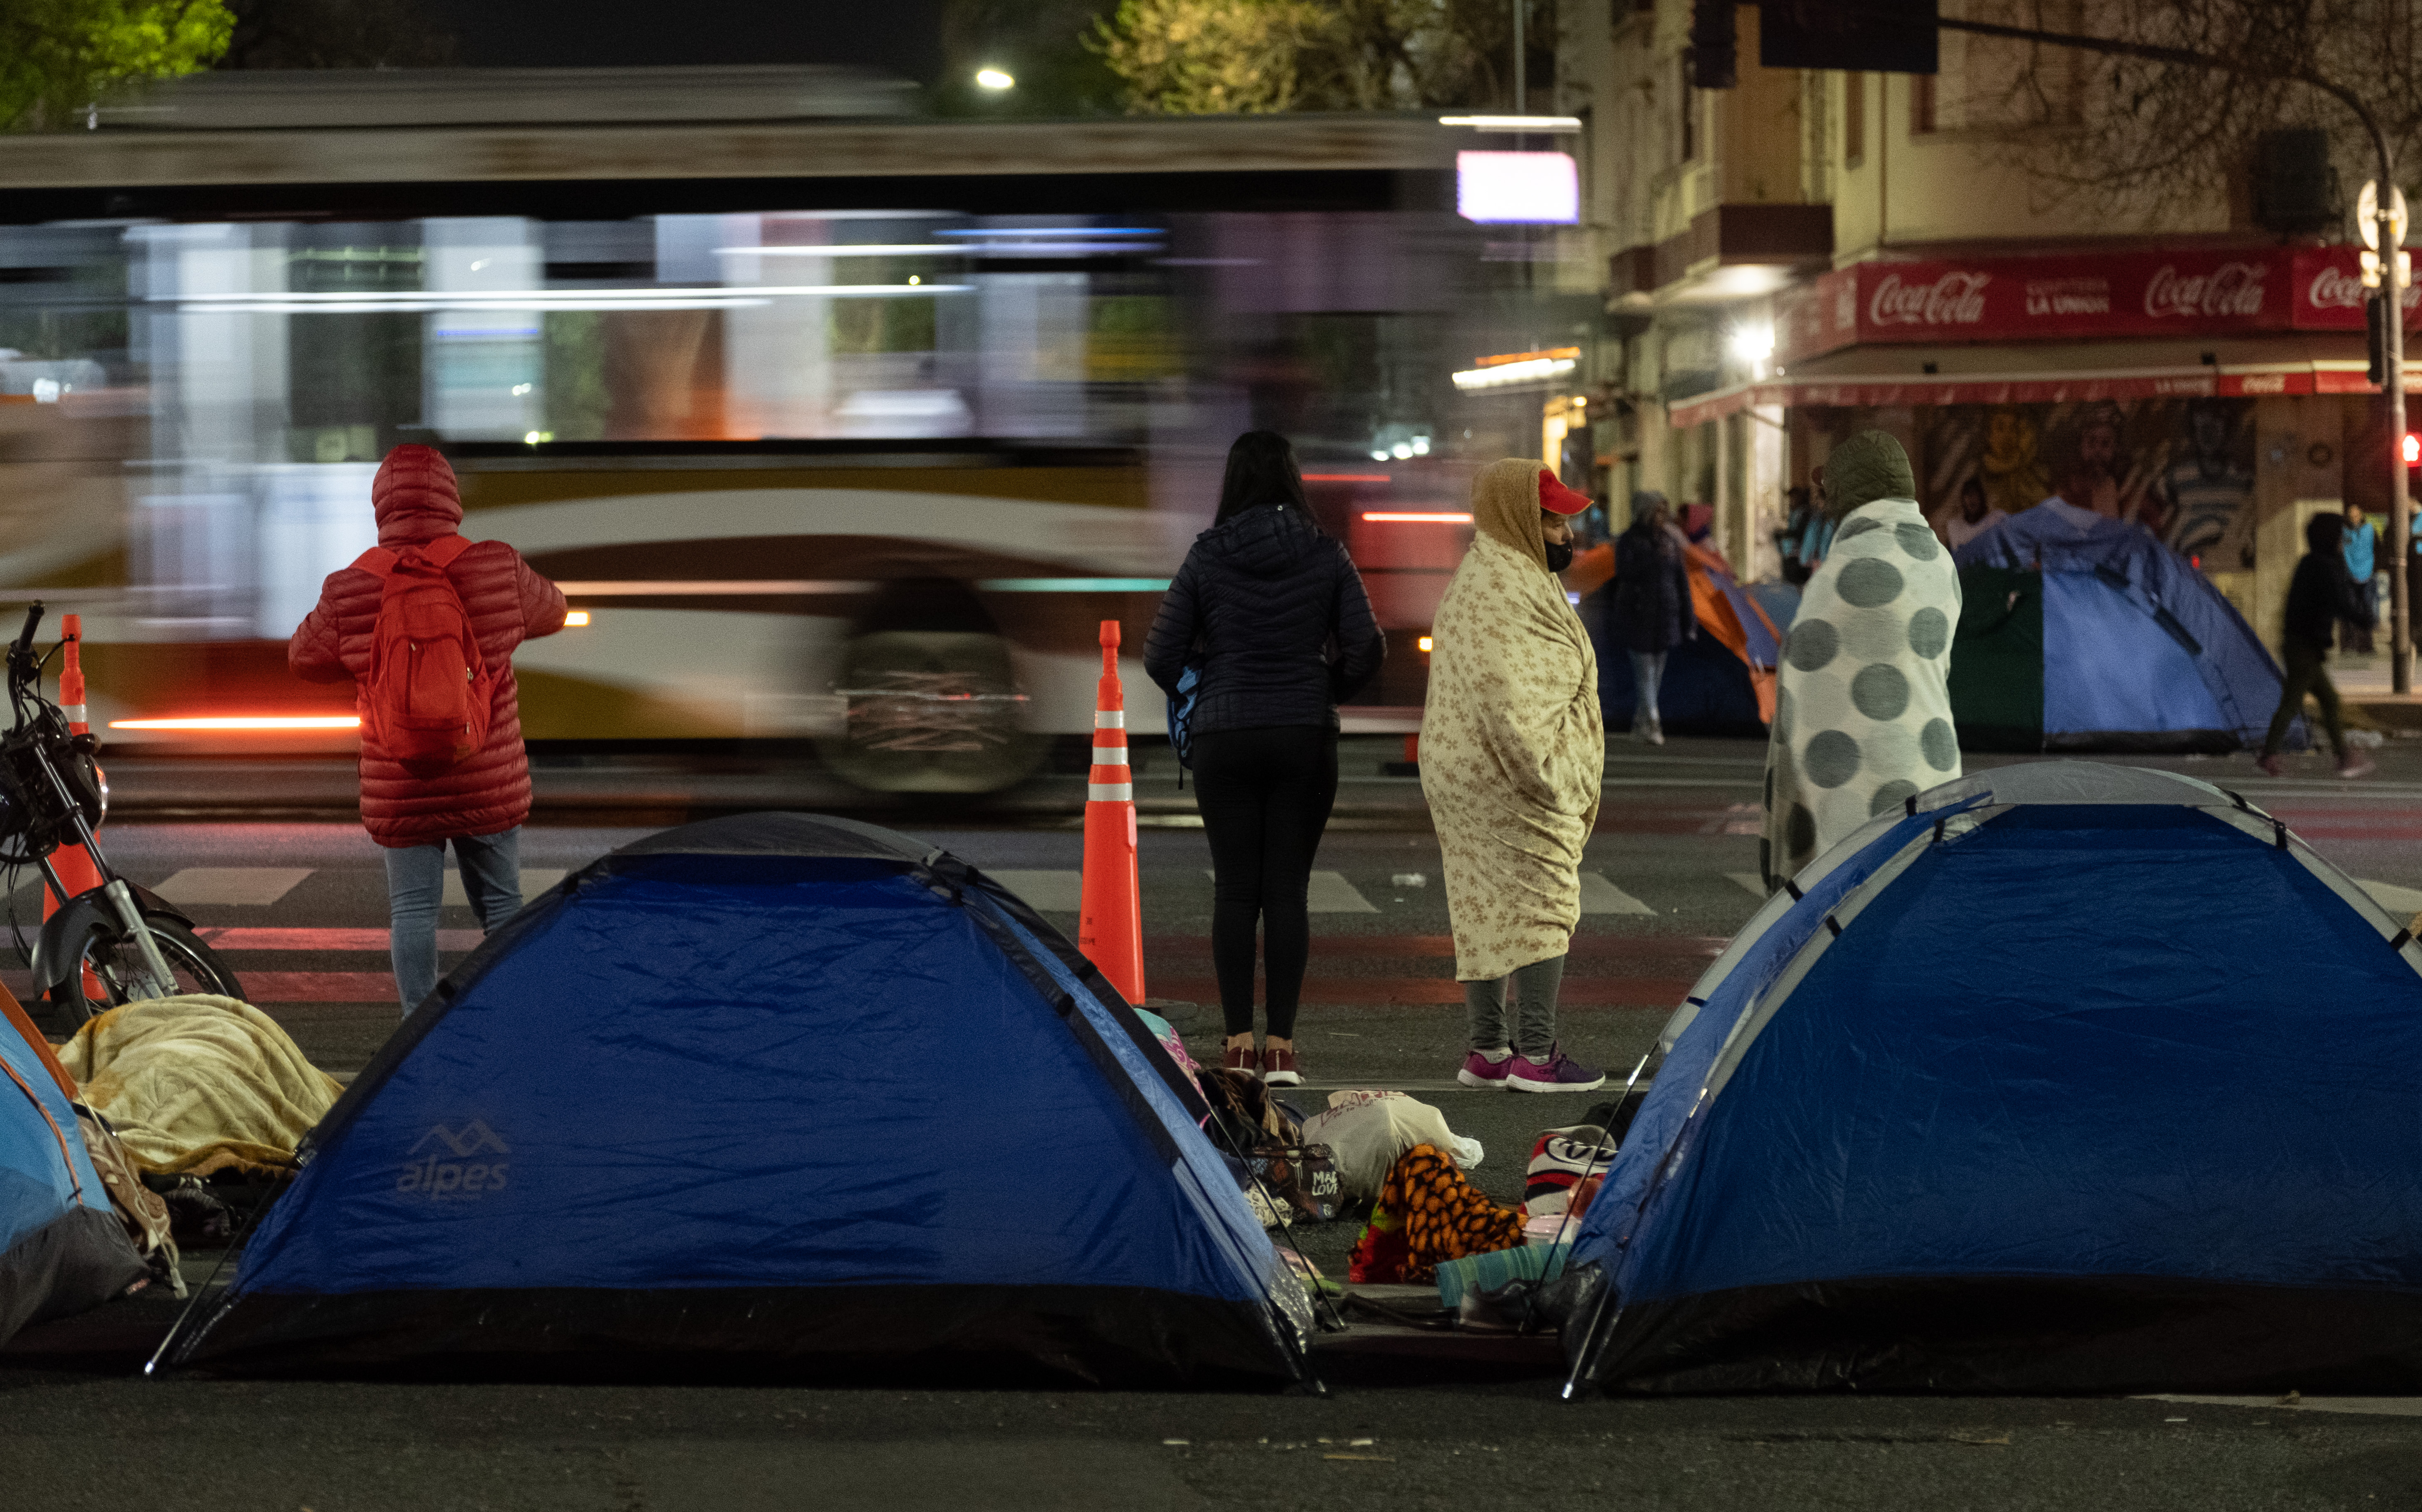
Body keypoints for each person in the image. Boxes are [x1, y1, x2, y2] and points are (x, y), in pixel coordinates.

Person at [290, 445, 568, 1015]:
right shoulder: (495, 563)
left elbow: (304, 658)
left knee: (413, 913)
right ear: (449, 497)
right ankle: (512, 1015)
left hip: (403, 780)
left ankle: (419, 1034)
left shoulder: (352, 585)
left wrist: (365, 661)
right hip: (486, 776)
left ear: (382, 505)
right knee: (502, 904)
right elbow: (555, 611)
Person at [1144, 430, 1383, 1087]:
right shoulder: (1325, 553)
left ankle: (1237, 1044)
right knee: (1286, 888)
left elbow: (1159, 654)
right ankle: (1282, 1048)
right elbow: (1369, 647)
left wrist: (1208, 681)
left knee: (1235, 887)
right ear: (1292, 480)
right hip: (1304, 736)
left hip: (1224, 735)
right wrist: (1320, 691)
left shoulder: (1206, 555)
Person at [1424, 458, 1606, 1094]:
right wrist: (1554, 773)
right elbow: (1514, 697)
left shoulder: (1491, 574)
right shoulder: (1506, 587)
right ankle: (1536, 1053)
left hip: (1463, 768)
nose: (1565, 532)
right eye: (1553, 519)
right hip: (1506, 771)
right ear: (1520, 518)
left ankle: (1486, 1050)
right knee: (1544, 899)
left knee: (1480, 901)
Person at [1763, 431, 1963, 890]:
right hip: (1932, 773)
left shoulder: (1846, 567)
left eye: (1830, 493)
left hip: (1855, 796)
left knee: (1844, 919)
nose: (1827, 507)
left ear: (1855, 492)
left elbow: (1805, 685)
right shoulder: (1939, 561)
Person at [2257, 512, 2376, 781]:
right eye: (2339, 537)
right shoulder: (2324, 567)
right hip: (2305, 647)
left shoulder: (2309, 563)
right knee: (2296, 702)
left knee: (2320, 700)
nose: (2342, 543)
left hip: (2301, 644)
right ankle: (2273, 754)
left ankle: (2275, 754)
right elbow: (2341, 602)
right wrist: (2365, 619)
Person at [1610, 491, 1695, 745]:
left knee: (1655, 675)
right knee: (1645, 673)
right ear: (1645, 512)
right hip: (1638, 615)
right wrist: (1651, 559)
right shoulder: (1629, 540)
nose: (1661, 517)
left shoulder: (1670, 541)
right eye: (1657, 511)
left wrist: (1688, 619)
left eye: (1663, 511)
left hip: (1666, 615)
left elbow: (1682, 583)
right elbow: (1624, 573)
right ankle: (1655, 723)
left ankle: (1640, 724)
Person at [2343, 503, 2379, 655]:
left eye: (2357, 515)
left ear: (2361, 516)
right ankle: (2351, 645)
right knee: (2351, 610)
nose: (2355, 518)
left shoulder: (2370, 530)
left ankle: (2367, 645)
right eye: (2352, 515)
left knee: (2367, 609)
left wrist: (2374, 568)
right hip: (2350, 575)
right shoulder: (2345, 532)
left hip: (2368, 573)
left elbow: (2378, 548)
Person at [1935, 476, 2007, 551]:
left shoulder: (1997, 519)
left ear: (1982, 497)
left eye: (1975, 494)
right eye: (1968, 495)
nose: (1971, 500)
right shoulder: (1954, 527)